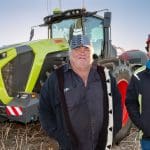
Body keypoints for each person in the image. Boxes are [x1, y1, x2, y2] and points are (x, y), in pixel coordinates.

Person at [39, 34, 122, 150]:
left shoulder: (105, 75)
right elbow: (44, 108)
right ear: (70, 52)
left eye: (86, 49)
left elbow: (117, 104)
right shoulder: (56, 78)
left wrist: (112, 131)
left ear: (91, 52)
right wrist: (59, 135)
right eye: (77, 49)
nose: (82, 52)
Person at [125, 34, 150, 150]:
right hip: (147, 138)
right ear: (148, 51)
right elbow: (131, 102)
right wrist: (142, 124)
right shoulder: (138, 76)